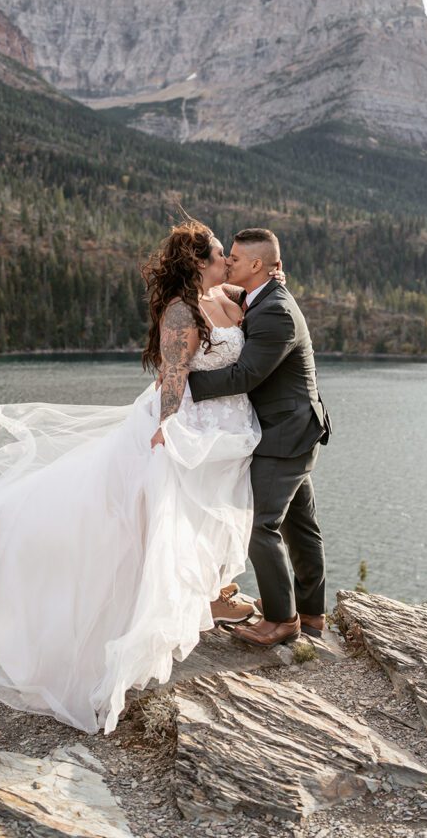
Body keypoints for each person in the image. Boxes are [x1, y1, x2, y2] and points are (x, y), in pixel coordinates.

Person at [0, 220, 266, 735]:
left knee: (217, 512)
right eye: (220, 254)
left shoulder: (227, 295)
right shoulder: (182, 312)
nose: (227, 261)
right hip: (186, 425)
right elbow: (173, 377)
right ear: (198, 262)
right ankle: (125, 632)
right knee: (156, 522)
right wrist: (166, 429)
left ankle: (217, 592)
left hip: (228, 426)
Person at [189, 228, 331, 648]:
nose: (228, 262)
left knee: (260, 525)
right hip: (292, 428)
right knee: (300, 527)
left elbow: (246, 374)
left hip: (285, 434)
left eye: (234, 257)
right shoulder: (260, 297)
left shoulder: (275, 312)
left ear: (256, 265)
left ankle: (281, 619)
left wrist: (183, 385)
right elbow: (234, 291)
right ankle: (311, 615)